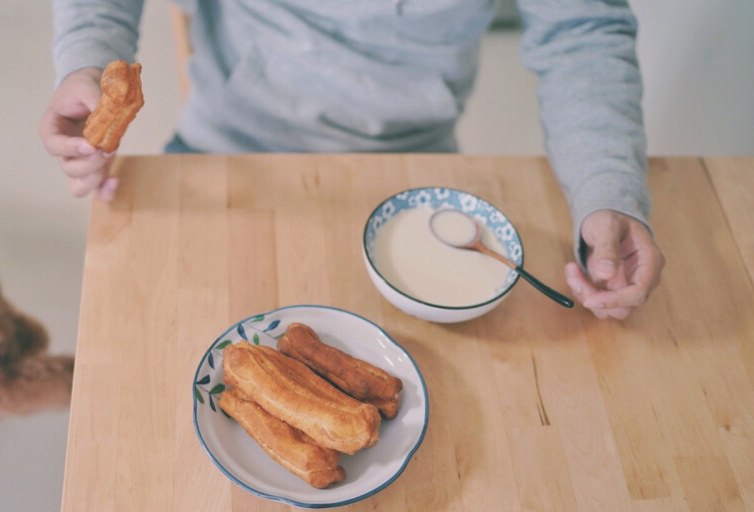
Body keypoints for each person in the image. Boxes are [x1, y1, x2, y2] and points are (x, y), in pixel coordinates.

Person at [39, 0, 665, 320]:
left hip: (415, 168)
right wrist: (88, 59)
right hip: (225, 148)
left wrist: (607, 187)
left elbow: (582, 28)